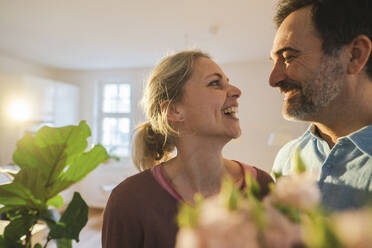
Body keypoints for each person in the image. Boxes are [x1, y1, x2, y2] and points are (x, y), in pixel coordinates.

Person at [102, 50, 274, 248]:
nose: (236, 91)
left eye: (227, 82)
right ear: (175, 110)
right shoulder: (128, 201)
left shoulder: (261, 186)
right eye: (215, 83)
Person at [270, 0, 372, 211]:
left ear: (355, 55)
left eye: (289, 57)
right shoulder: (287, 159)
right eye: (274, 61)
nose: (274, 79)